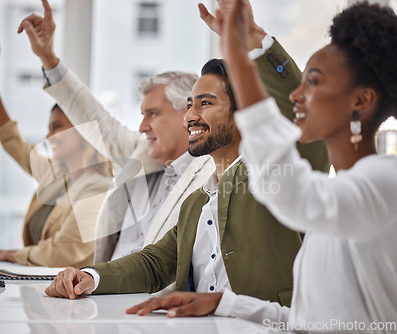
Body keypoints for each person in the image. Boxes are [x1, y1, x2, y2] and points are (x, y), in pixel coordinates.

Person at [126, 1, 397, 332]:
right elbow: (308, 322)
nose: (296, 95)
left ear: (360, 101)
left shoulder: (386, 181)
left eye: (313, 82)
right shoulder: (340, 198)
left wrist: (241, 57)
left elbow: (290, 191)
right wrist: (224, 303)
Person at [42, 1, 330, 304]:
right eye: (190, 104)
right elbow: (154, 263)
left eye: (205, 103)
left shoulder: (274, 175)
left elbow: (304, 126)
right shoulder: (196, 204)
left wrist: (254, 40)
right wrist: (90, 277)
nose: (190, 116)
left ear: (242, 112)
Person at [18, 0, 216, 267]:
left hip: (148, 302)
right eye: (142, 114)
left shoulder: (212, 173)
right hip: (102, 293)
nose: (142, 126)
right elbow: (94, 117)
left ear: (187, 113)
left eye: (153, 114)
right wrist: (49, 60)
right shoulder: (141, 152)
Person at [0, 37, 112, 267]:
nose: (49, 136)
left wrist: (14, 255)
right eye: (49, 127)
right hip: (41, 287)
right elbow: (12, 141)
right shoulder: (55, 174)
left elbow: (63, 253)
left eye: (57, 126)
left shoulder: (98, 186)